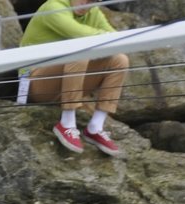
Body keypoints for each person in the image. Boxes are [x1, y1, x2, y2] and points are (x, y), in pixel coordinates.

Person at [19, 0, 130, 156]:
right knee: (79, 50)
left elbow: (117, 41)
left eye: (94, 1)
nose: (88, 4)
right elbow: (81, 35)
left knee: (120, 59)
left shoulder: (94, 12)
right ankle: (67, 123)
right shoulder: (53, 7)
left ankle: (95, 127)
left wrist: (113, 38)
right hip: (33, 83)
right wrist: (109, 37)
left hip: (65, 83)